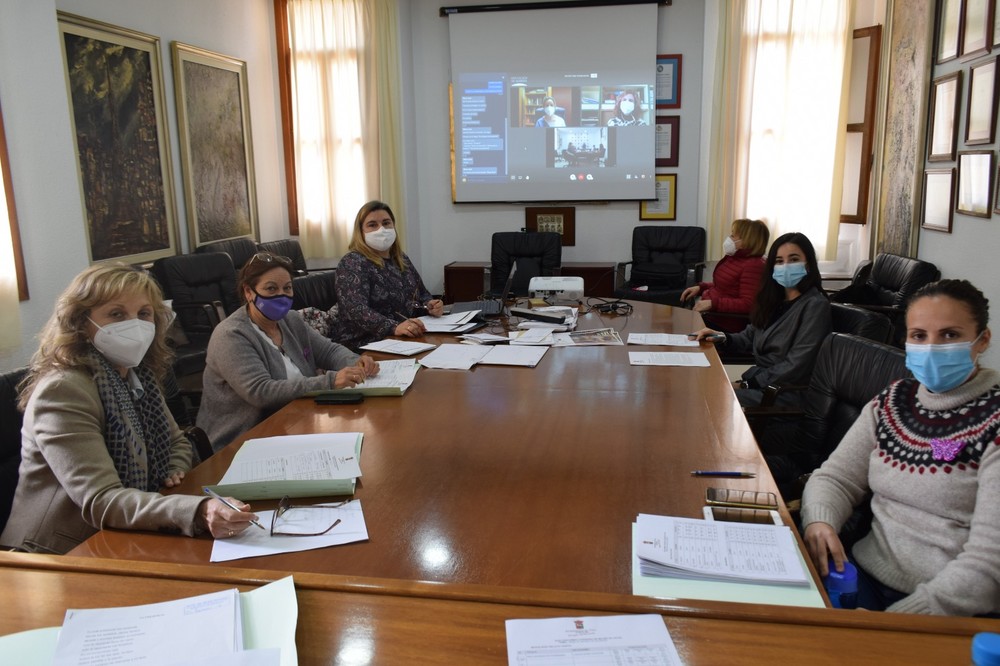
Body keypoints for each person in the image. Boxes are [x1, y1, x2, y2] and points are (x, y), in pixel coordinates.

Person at [0, 264, 257, 554]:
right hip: (58, 552)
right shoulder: (63, 390)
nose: (135, 325)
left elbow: (177, 442)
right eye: (117, 314)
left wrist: (172, 470)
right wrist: (199, 511)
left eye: (144, 314)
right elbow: (101, 499)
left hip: (126, 528)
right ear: (81, 323)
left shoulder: (136, 375)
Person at [801, 279, 1000, 616]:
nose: (932, 348)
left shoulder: (994, 420)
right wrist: (820, 522)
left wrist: (893, 625)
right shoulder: (893, 401)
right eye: (919, 336)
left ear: (982, 340)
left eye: (950, 335)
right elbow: (835, 478)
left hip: (947, 607)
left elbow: (988, 565)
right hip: (860, 576)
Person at [198, 252, 377, 451]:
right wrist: (330, 381)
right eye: (271, 288)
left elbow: (328, 351)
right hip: (243, 441)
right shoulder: (230, 335)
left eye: (287, 288)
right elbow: (260, 392)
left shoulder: (291, 320)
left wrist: (356, 361)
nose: (281, 295)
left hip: (298, 421)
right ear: (248, 292)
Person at [691, 232, 831, 407]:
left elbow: (797, 364)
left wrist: (747, 385)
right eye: (779, 261)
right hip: (762, 384)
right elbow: (748, 337)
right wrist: (721, 337)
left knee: (708, 398)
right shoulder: (774, 300)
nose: (785, 266)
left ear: (808, 264)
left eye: (794, 259)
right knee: (700, 390)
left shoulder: (816, 305)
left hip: (785, 392)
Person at [333, 201, 444, 350]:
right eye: (372, 225)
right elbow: (356, 309)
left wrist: (430, 305)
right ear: (361, 232)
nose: (381, 229)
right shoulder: (352, 262)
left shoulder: (401, 259)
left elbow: (422, 294)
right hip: (364, 344)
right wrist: (393, 327)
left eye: (386, 223)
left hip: (405, 338)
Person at [680, 219, 769, 332]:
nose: (729, 238)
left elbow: (749, 304)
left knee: (677, 327)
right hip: (710, 315)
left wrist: (713, 304)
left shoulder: (754, 265)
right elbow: (724, 286)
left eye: (733, 236)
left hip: (724, 324)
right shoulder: (735, 257)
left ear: (747, 240)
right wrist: (701, 288)